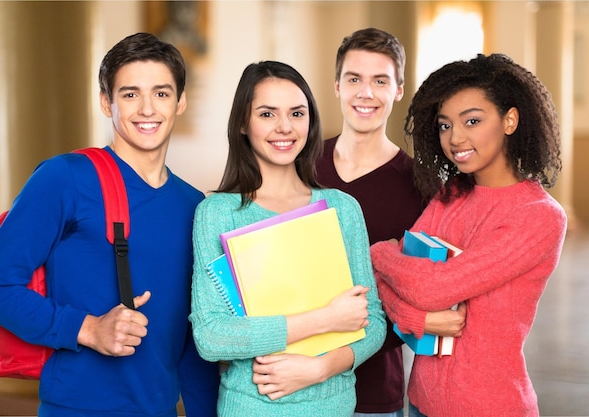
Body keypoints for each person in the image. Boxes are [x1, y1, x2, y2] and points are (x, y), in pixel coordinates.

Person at [0, 32, 219, 417]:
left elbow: (190, 341)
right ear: (107, 102)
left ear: (181, 101)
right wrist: (87, 329)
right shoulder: (64, 178)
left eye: (162, 93)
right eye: (130, 94)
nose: (147, 109)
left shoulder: (194, 206)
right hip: (77, 408)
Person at [370, 53, 567, 417]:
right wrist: (417, 317)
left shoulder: (538, 217)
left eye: (472, 121)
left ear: (510, 120)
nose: (455, 138)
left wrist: (380, 253)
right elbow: (383, 282)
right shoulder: (451, 196)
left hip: (488, 407)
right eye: (445, 125)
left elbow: (431, 289)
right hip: (420, 402)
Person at [189, 60, 385, 417]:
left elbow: (372, 319)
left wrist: (320, 369)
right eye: (267, 114)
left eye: (297, 113)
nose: (285, 127)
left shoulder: (342, 209)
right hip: (251, 407)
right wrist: (325, 319)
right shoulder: (217, 213)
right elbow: (211, 337)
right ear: (243, 125)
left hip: (335, 405)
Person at [315, 27, 426, 417]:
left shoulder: (419, 187)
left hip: (373, 392)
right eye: (354, 79)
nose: (366, 92)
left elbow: (419, 292)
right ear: (337, 86)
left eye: (380, 80)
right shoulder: (300, 165)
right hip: (294, 382)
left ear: (398, 89)